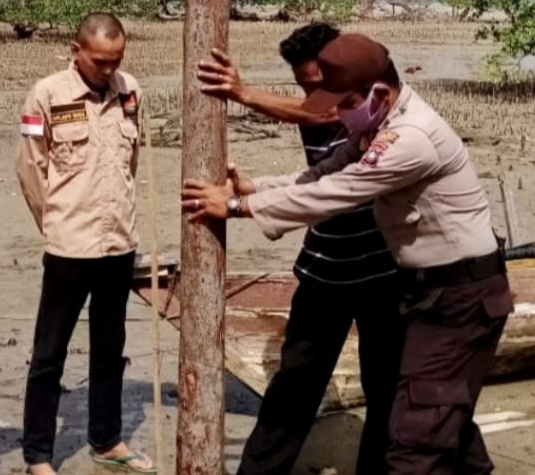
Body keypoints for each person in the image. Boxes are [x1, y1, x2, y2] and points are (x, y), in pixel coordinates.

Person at [182, 33, 513, 475]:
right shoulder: (378, 123)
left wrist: (239, 208)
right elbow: (325, 172)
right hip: (426, 291)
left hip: (458, 296)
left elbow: (339, 192)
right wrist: (254, 188)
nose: (336, 114)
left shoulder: (409, 138)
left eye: (344, 103)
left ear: (379, 92)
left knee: (416, 439)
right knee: (438, 414)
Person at [194, 23, 403, 475]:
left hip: (383, 272)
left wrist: (244, 94)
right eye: (305, 86)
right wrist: (254, 187)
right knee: (294, 387)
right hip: (325, 267)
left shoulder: (366, 109)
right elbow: (313, 175)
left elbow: (320, 120)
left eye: (321, 85)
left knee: (387, 388)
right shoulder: (324, 106)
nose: (316, 97)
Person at [15, 13, 155, 475]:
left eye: (116, 60)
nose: (108, 70)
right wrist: (56, 221)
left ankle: (107, 439)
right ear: (76, 51)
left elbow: (130, 162)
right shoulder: (47, 94)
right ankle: (38, 454)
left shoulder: (130, 90)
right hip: (68, 247)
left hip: (118, 243)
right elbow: (30, 170)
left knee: (109, 349)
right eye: (99, 61)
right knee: (48, 354)